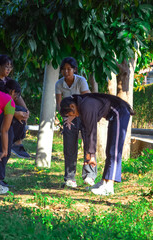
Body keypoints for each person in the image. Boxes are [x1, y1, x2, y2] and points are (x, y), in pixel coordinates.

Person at [59, 93, 135, 195]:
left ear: (72, 106)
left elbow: (91, 132)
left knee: (114, 150)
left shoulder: (86, 106)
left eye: (71, 114)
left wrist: (92, 155)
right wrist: (89, 155)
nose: (74, 116)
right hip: (114, 115)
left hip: (120, 112)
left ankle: (109, 187)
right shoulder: (82, 104)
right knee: (109, 150)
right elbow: (87, 131)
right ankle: (104, 182)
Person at [0, 54, 30, 187]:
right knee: (2, 148)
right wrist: (15, 113)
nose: (8, 70)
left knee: (7, 146)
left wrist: (25, 112)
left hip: (9, 115)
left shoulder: (9, 81)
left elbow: (17, 97)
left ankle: (17, 142)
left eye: (10, 67)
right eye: (6, 67)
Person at [55, 57, 97, 188]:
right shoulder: (59, 84)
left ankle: (89, 176)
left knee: (89, 145)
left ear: (74, 70)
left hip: (85, 115)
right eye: (64, 69)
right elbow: (59, 105)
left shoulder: (81, 81)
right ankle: (69, 178)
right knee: (69, 147)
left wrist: (75, 114)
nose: (66, 72)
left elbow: (86, 100)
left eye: (69, 69)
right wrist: (65, 117)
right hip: (69, 118)